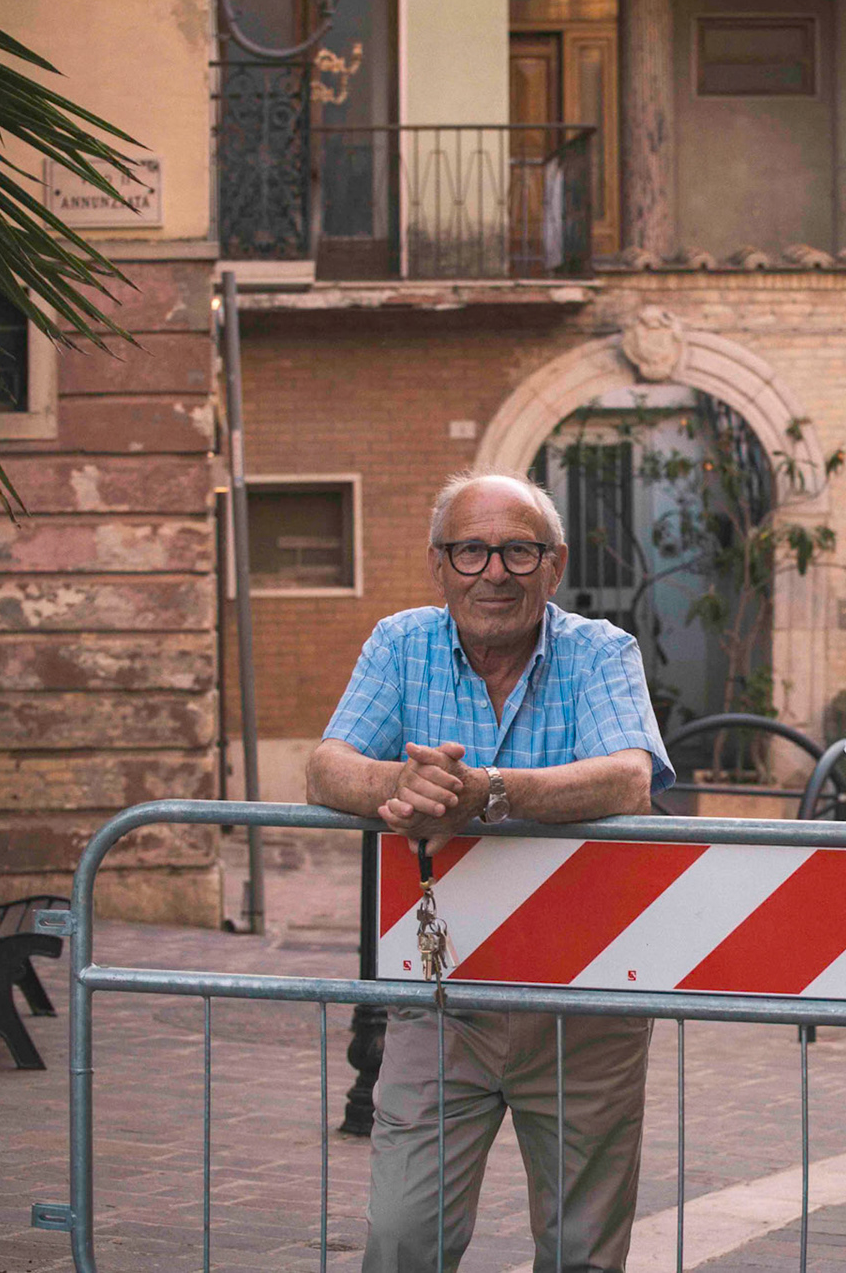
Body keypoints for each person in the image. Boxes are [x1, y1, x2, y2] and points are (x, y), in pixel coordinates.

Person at [307, 470, 675, 1273]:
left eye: (519, 551)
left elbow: (628, 777)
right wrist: (403, 784)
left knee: (582, 1251)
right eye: (470, 551)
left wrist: (492, 793)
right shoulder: (400, 644)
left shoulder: (600, 652)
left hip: (584, 1005)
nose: (495, 573)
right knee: (402, 1238)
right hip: (443, 1002)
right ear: (439, 565)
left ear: (555, 565)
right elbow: (327, 766)